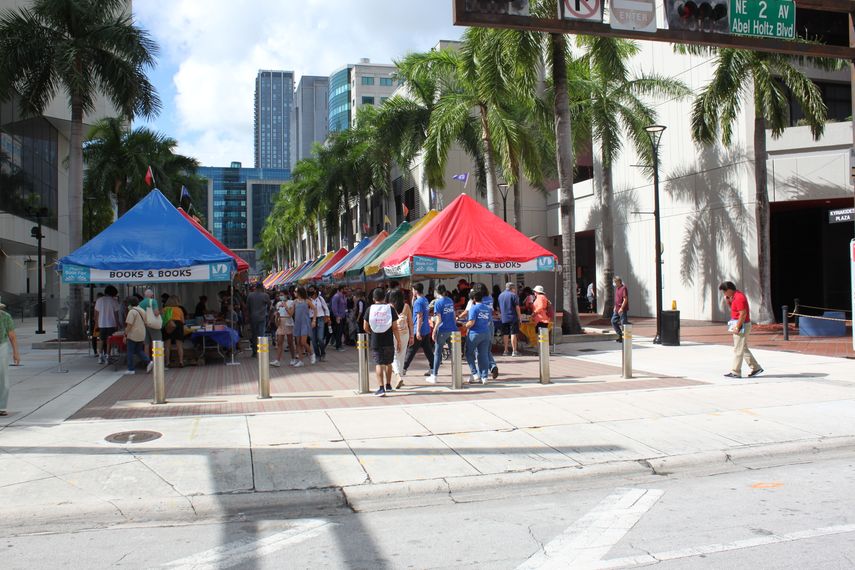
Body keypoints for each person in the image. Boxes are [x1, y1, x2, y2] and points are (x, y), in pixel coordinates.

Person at [719, 281, 763, 378]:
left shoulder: (739, 298)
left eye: (724, 292)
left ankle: (736, 372)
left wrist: (737, 327)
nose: (724, 294)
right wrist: (728, 301)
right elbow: (734, 310)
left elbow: (743, 314)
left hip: (742, 325)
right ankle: (756, 368)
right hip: (740, 324)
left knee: (738, 349)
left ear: (729, 290)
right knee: (742, 348)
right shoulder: (735, 296)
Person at [363, 287, 401, 397]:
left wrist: (372, 332)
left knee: (379, 363)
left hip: (376, 340)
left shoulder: (370, 309)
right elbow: (395, 327)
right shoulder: (390, 309)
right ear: (385, 298)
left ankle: (381, 388)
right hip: (388, 340)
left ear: (373, 298)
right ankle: (388, 385)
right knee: (389, 363)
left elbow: (365, 326)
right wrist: (398, 341)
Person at [402, 283, 435, 381]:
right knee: (428, 350)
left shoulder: (418, 302)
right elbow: (417, 308)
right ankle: (433, 368)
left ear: (415, 291)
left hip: (419, 329)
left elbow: (419, 316)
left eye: (413, 290)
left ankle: (403, 368)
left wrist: (418, 331)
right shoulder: (424, 300)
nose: (412, 292)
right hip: (426, 329)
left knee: (411, 350)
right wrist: (413, 298)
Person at [429, 284, 458, 385]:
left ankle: (434, 376)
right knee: (454, 353)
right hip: (452, 329)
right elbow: (453, 315)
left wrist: (434, 331)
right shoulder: (450, 300)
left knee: (437, 353)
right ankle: (457, 375)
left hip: (442, 330)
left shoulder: (438, 302)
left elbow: (439, 320)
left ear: (436, 292)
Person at [464, 289, 493, 384]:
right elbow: (489, 321)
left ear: (473, 299)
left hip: (474, 333)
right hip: (486, 333)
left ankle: (475, 373)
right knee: (483, 355)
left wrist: (464, 326)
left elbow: (471, 322)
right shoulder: (487, 308)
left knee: (469, 353)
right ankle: (484, 377)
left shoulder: (473, 308)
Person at [388, 289, 413, 389]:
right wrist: (412, 336)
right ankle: (400, 377)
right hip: (405, 334)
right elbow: (410, 322)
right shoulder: (406, 306)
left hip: (394, 334)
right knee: (402, 355)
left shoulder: (390, 307)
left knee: (393, 355)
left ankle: (398, 376)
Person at [0, 299, 21, 416]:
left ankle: (1, 406)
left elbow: (12, 336)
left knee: (2, 376)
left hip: (1, 346)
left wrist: (15, 353)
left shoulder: (5, 317)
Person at [124, 296, 153, 375]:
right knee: (138, 350)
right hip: (141, 334)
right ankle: (148, 361)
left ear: (130, 304)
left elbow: (129, 325)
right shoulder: (142, 310)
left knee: (130, 352)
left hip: (133, 334)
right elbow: (146, 323)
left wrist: (125, 334)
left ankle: (131, 369)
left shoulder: (132, 312)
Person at [94, 285, 121, 364]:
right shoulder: (114, 301)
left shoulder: (99, 300)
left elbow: (96, 313)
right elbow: (116, 315)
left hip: (101, 323)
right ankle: (107, 356)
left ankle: (100, 356)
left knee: (101, 339)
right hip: (111, 323)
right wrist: (117, 324)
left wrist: (96, 322)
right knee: (109, 340)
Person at [289, 286, 315, 366]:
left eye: (295, 291)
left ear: (299, 292)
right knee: (298, 343)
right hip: (297, 323)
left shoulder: (307, 301)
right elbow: (291, 314)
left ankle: (312, 354)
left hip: (305, 323)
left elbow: (315, 309)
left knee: (303, 342)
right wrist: (286, 307)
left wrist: (314, 320)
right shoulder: (295, 301)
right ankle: (301, 361)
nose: (294, 293)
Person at [246, 283, 271, 357]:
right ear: (262, 287)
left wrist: (248, 316)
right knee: (261, 334)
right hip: (262, 317)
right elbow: (269, 305)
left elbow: (247, 307)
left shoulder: (250, 295)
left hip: (253, 317)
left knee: (254, 335)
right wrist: (267, 312)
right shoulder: (265, 295)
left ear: (255, 287)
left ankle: (254, 352)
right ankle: (262, 352)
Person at [272, 291, 295, 367]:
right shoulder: (278, 303)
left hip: (288, 322)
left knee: (290, 342)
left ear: (286, 295)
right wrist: (276, 315)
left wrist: (285, 306)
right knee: (279, 342)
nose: (280, 296)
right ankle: (277, 360)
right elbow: (277, 313)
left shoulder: (291, 302)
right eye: (280, 295)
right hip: (280, 322)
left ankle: (293, 358)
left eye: (282, 295)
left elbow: (291, 314)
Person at [498, 282, 522, 356]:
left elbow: (499, 307)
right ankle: (514, 351)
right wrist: (520, 316)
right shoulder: (513, 295)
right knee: (513, 333)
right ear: (512, 288)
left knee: (505, 334)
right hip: (512, 317)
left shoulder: (500, 295)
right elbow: (517, 307)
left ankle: (505, 350)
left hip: (504, 318)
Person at [162, 296, 186, 368]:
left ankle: (167, 362)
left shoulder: (164, 309)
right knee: (179, 346)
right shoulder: (179, 309)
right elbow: (183, 321)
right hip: (178, 326)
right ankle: (181, 362)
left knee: (167, 346)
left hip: (168, 326)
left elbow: (162, 319)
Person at [308, 287, 330, 362]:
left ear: (316, 291)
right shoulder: (308, 300)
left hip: (320, 319)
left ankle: (323, 353)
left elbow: (326, 308)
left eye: (312, 290)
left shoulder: (320, 298)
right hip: (311, 319)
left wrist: (327, 317)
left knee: (320, 338)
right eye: (310, 290)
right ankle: (317, 355)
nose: (311, 292)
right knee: (313, 340)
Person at [139, 288, 162, 357]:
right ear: (152, 295)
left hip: (144, 325)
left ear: (145, 295)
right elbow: (156, 313)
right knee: (157, 343)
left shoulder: (140, 303)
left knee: (146, 344)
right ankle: (157, 360)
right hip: (153, 325)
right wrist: (161, 312)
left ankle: (147, 361)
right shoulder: (153, 301)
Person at [330, 286, 348, 351]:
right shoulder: (336, 296)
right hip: (338, 317)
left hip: (343, 316)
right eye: (345, 289)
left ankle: (339, 344)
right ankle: (338, 346)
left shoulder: (343, 296)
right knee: (338, 331)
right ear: (341, 289)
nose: (346, 290)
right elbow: (334, 307)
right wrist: (337, 316)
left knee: (341, 331)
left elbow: (344, 306)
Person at [612, 276, 629, 342]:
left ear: (618, 281)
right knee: (613, 321)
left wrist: (622, 308)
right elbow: (617, 299)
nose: (614, 283)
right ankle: (620, 335)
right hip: (617, 309)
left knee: (623, 323)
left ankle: (625, 338)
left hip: (622, 309)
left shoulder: (624, 288)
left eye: (615, 282)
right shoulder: (617, 288)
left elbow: (625, 299)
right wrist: (615, 307)